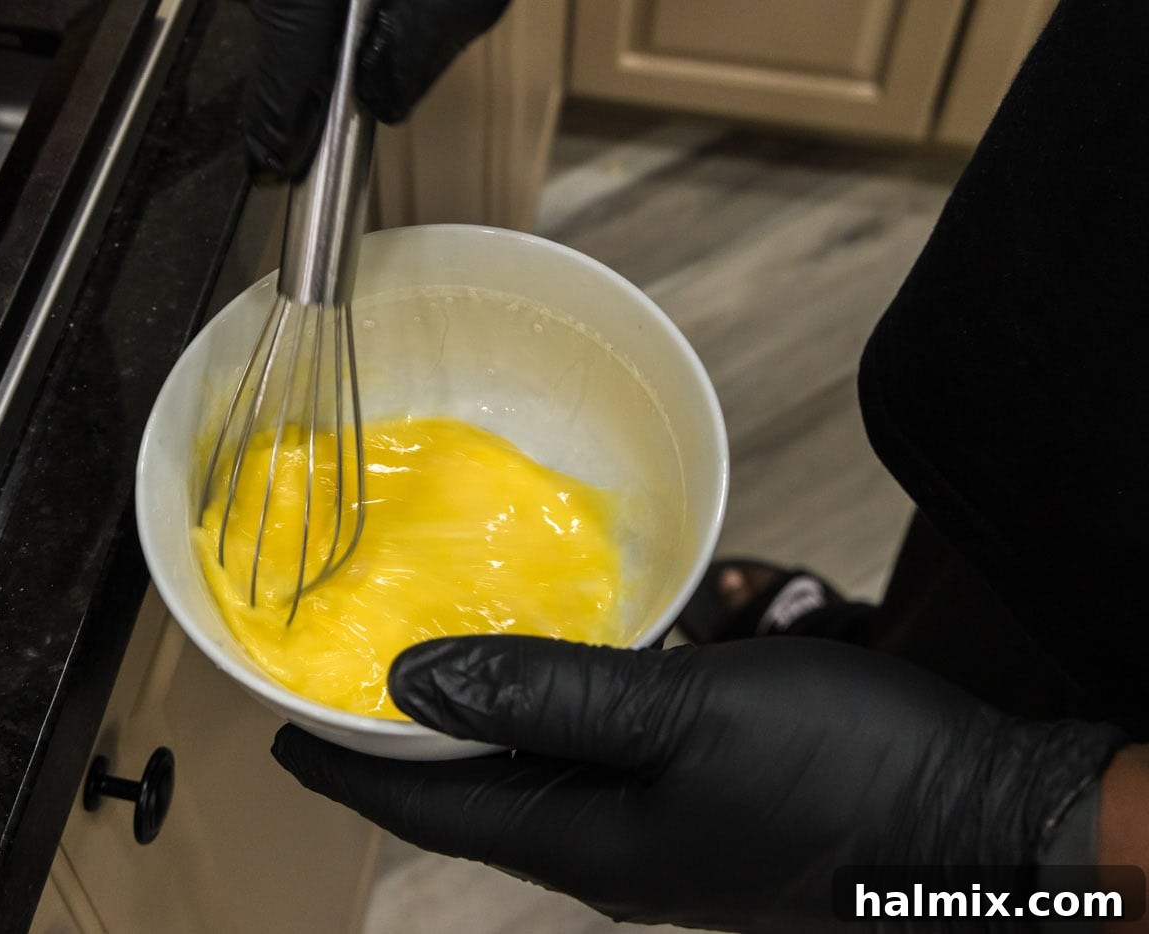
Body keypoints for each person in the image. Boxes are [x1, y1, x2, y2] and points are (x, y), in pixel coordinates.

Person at [240, 1, 1149, 929]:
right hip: (1104, 342)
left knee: (930, 908)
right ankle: (872, 648)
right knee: (990, 577)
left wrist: (1007, 831)